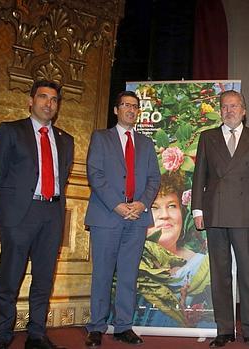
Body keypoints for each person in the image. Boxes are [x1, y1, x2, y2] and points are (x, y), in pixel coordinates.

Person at [0, 80, 74, 349]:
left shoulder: (66, 140)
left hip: (52, 213)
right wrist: (6, 217)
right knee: (10, 278)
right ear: (31, 101)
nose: (48, 103)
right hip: (20, 216)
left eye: (54, 99)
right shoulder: (11, 131)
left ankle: (36, 333)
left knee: (44, 279)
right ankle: (1, 335)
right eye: (43, 97)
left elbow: (63, 176)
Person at [191, 90, 249, 348]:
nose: (229, 110)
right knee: (220, 275)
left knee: (248, 275)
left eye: (234, 106)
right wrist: (197, 210)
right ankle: (224, 329)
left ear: (244, 110)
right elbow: (199, 176)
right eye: (225, 106)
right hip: (215, 212)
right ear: (220, 111)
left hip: (247, 213)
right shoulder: (208, 137)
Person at [84, 91, 161, 347]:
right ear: (116, 110)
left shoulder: (146, 144)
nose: (131, 109)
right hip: (107, 216)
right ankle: (96, 327)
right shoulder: (101, 138)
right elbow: (95, 174)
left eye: (135, 106)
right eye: (126, 105)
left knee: (129, 274)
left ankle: (123, 326)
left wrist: (141, 203)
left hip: (137, 217)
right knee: (103, 274)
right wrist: (117, 206)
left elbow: (154, 179)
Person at [135, 171, 213, 328]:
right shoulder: (130, 265)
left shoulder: (204, 265)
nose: (164, 215)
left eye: (172, 206)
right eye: (154, 207)